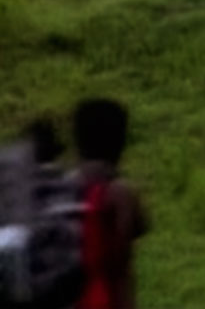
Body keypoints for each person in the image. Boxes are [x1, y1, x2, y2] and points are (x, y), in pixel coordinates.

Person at [72, 98, 149, 309]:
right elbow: (139, 228)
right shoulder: (121, 193)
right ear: (121, 142)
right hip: (109, 298)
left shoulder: (63, 186)